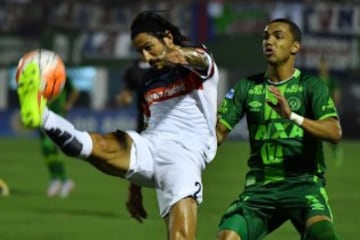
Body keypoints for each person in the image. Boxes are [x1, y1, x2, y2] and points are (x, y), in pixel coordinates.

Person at [17, 11, 219, 240]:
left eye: (149, 47)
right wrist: (135, 187)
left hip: (184, 155)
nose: (145, 56)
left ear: (168, 38)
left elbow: (202, 61)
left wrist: (180, 54)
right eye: (140, 51)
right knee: (100, 145)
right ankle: (40, 113)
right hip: (151, 144)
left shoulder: (199, 64)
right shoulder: (149, 81)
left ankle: (42, 114)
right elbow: (146, 125)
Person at [216, 18, 342, 240]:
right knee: (227, 237)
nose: (269, 41)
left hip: (303, 185)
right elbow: (217, 134)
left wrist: (292, 116)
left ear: (295, 47)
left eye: (278, 36)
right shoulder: (247, 87)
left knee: (325, 237)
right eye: (265, 37)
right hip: (260, 189)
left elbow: (334, 132)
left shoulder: (311, 85)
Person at [40, 77, 79, 198]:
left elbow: (75, 91)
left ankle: (62, 180)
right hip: (42, 115)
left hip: (57, 116)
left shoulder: (61, 75)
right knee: (47, 150)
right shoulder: (39, 76)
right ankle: (57, 179)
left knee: (48, 145)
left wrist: (68, 105)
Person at [318, 56, 344, 166]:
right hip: (318, 110)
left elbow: (336, 94)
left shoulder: (332, 80)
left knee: (331, 133)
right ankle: (318, 159)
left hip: (329, 110)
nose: (323, 67)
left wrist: (334, 106)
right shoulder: (316, 80)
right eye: (321, 65)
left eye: (325, 65)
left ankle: (336, 151)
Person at [115, 58, 150, 132]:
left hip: (164, 113)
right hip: (143, 116)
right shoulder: (132, 69)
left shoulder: (163, 66)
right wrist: (123, 97)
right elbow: (128, 91)